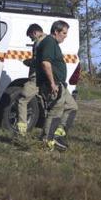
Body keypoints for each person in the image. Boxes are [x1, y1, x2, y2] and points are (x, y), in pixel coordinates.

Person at [34, 20, 77, 151]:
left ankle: (57, 135)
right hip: (53, 84)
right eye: (63, 33)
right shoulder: (49, 42)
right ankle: (47, 140)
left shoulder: (54, 44)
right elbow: (45, 63)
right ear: (56, 31)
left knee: (72, 107)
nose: (65, 35)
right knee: (55, 112)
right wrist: (52, 83)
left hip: (60, 85)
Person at [15, 23, 46, 136]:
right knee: (45, 105)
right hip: (44, 79)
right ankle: (47, 132)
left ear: (35, 32)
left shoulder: (40, 42)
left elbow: (41, 61)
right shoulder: (49, 41)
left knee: (22, 100)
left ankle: (21, 131)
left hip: (37, 78)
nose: (31, 39)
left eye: (30, 36)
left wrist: (29, 62)